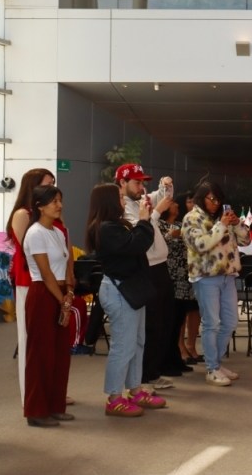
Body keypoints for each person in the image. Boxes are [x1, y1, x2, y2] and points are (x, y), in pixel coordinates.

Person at [86, 183, 166, 417]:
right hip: (120, 291)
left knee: (138, 342)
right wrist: (144, 220)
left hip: (131, 289)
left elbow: (137, 245)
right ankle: (114, 398)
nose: (123, 201)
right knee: (123, 346)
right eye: (120, 198)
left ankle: (135, 389)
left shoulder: (115, 225)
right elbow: (137, 245)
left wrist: (142, 222)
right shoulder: (105, 228)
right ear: (109, 202)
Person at [181, 181, 251, 386]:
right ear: (201, 198)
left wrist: (237, 223)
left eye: (218, 199)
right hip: (206, 277)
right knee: (211, 323)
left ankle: (217, 364)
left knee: (229, 322)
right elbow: (201, 245)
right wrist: (221, 225)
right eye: (212, 199)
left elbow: (246, 241)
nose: (216, 203)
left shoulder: (223, 219)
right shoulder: (191, 219)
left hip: (228, 276)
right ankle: (212, 368)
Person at [115, 164, 175, 389]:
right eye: (136, 182)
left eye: (143, 182)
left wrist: (166, 185)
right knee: (150, 325)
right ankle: (143, 376)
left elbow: (164, 197)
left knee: (163, 323)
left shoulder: (141, 200)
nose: (141, 187)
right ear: (122, 182)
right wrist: (157, 212)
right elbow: (138, 234)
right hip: (146, 269)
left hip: (160, 266)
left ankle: (152, 371)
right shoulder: (122, 207)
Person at [22, 185, 73, 427]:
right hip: (43, 293)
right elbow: (45, 272)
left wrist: (69, 291)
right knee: (40, 354)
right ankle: (36, 410)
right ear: (40, 206)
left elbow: (66, 264)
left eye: (60, 200)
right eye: (54, 201)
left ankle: (55, 406)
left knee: (60, 354)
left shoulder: (58, 232)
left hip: (60, 293)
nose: (59, 205)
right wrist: (61, 298)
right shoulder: (35, 233)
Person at [6, 169, 56, 404]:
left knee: (48, 340)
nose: (51, 190)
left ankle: (49, 391)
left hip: (48, 281)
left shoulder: (48, 215)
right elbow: (32, 249)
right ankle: (31, 396)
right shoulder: (23, 215)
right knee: (29, 340)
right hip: (29, 281)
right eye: (47, 185)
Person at [158, 194, 195, 374]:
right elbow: (156, 245)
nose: (176, 206)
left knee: (179, 319)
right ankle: (166, 360)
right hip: (170, 277)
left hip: (184, 278)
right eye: (172, 203)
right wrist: (169, 235)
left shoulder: (181, 225)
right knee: (169, 322)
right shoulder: (159, 225)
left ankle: (176, 358)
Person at [177, 191, 203, 363]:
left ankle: (192, 344)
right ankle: (180, 346)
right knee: (182, 311)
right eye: (189, 201)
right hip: (180, 272)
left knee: (196, 310)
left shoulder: (201, 222)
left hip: (197, 270)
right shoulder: (177, 223)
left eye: (195, 201)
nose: (193, 204)